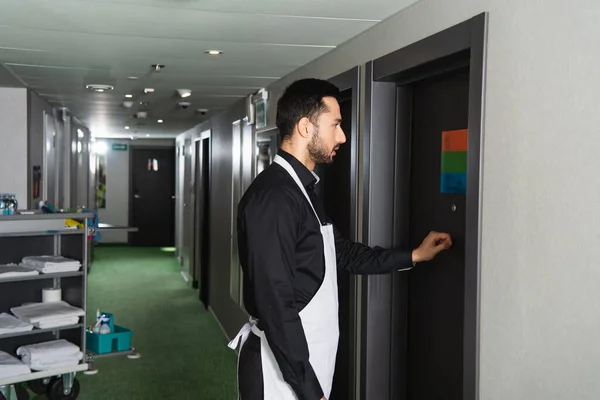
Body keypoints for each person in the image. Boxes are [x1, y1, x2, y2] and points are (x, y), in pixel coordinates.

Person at [228, 78, 452, 400]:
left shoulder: (302, 189)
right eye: (335, 124)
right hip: (279, 373)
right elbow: (274, 303)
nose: (342, 136)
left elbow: (341, 253)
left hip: (303, 366)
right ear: (306, 127)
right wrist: (307, 387)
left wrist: (414, 255)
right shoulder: (275, 198)